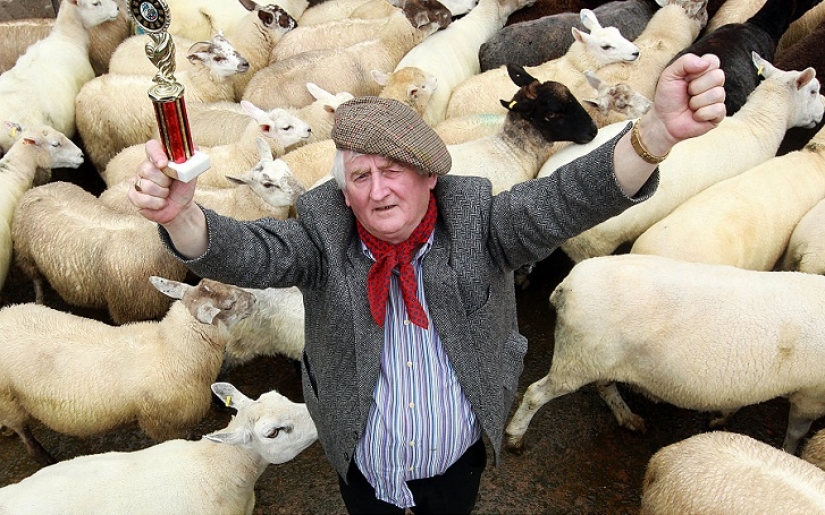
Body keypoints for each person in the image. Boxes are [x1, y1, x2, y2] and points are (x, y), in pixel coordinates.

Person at [129, 53, 726, 514]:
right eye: (359, 175)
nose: (377, 190)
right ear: (343, 186)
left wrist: (655, 134)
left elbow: (563, 200)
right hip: (361, 460)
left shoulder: (481, 225)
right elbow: (252, 253)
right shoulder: (321, 236)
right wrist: (182, 215)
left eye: (393, 170)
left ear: (430, 177)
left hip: (457, 459)